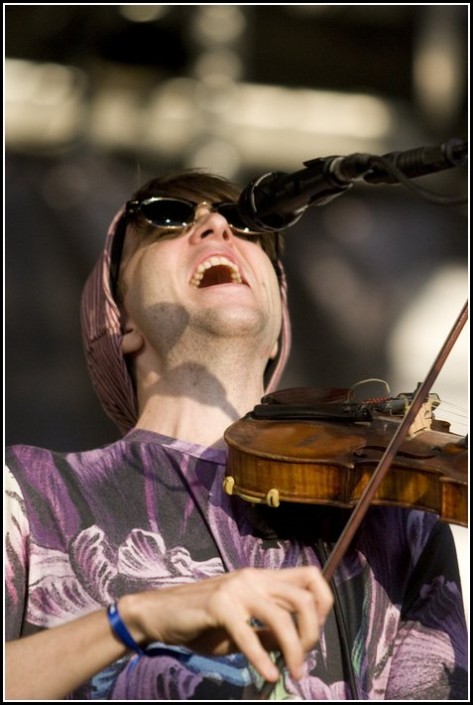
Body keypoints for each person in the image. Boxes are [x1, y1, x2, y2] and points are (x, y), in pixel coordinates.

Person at [5, 170, 467, 700]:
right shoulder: (28, 492)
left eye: (249, 227)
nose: (217, 226)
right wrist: (132, 620)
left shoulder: (393, 522)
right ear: (122, 321)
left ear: (276, 329)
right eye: (169, 219)